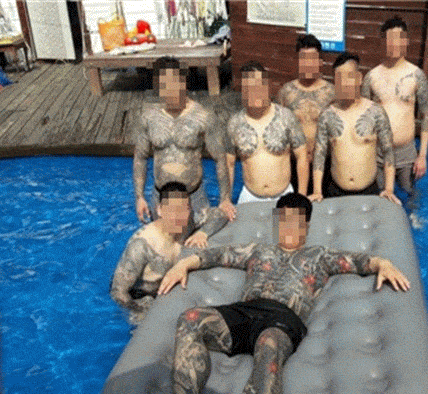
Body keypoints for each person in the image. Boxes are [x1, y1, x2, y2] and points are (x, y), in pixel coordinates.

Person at [158, 193, 410, 394]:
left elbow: (359, 260)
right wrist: (183, 265)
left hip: (282, 321)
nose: (288, 227)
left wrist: (383, 264)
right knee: (190, 318)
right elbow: (216, 255)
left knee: (269, 343)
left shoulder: (319, 256)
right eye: (283, 220)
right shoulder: (258, 251)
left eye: (295, 222)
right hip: (245, 312)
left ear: (307, 226)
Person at [133, 56, 235, 248]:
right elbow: (140, 158)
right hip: (161, 199)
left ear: (183, 83)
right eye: (165, 85)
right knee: (163, 248)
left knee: (198, 244)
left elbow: (220, 158)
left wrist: (225, 199)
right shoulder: (148, 117)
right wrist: (139, 197)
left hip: (194, 198)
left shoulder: (203, 116)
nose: (170, 90)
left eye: (174, 83)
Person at [110, 182, 225, 324]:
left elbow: (220, 214)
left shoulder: (188, 223)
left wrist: (203, 233)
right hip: (142, 296)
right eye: (172, 210)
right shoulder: (142, 245)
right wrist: (141, 309)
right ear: (159, 210)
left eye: (183, 209)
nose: (178, 217)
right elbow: (118, 291)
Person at [309, 53, 401, 205]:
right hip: (335, 190)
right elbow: (319, 154)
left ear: (358, 78)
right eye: (340, 79)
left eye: (349, 77)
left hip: (368, 191)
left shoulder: (376, 112)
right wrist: (317, 191)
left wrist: (389, 188)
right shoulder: (327, 115)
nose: (345, 83)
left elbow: (388, 151)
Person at [361, 17, 428, 196]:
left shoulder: (417, 75)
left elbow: (425, 117)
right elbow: (362, 117)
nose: (395, 44)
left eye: (399, 39)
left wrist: (422, 156)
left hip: (407, 153)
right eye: (390, 39)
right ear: (383, 42)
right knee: (378, 196)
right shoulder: (371, 77)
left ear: (406, 41)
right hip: (378, 154)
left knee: (410, 193)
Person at [226, 61, 308, 203]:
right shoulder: (234, 123)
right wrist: (226, 199)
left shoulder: (286, 117)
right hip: (250, 197)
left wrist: (301, 196)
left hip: (284, 196)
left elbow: (302, 156)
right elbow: (229, 164)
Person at [276, 34, 335, 195]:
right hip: (294, 166)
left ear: (320, 62)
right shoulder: (286, 93)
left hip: (324, 167)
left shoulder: (332, 93)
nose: (308, 64)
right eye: (303, 59)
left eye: (312, 60)